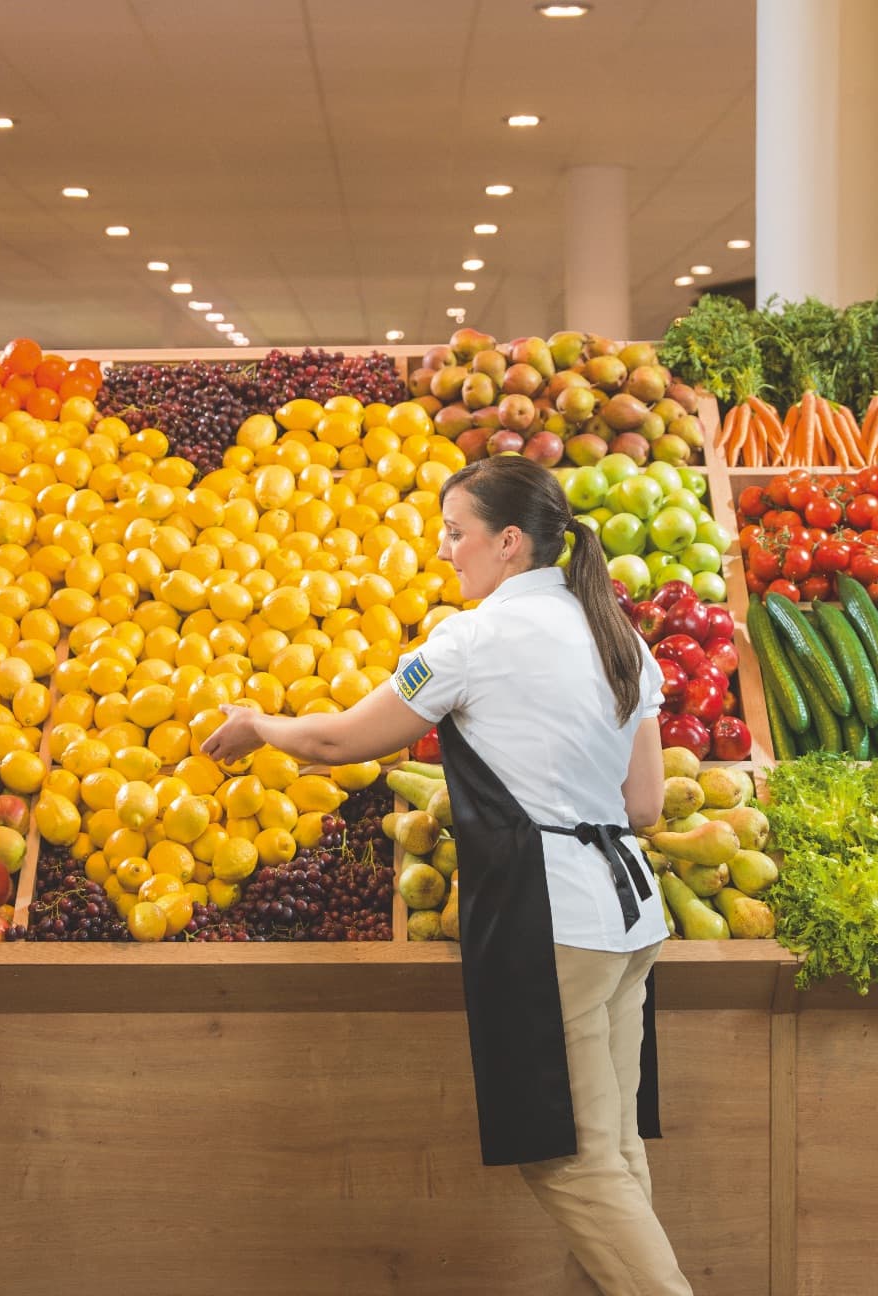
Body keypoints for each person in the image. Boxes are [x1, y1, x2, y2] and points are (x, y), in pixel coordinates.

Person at [202, 455, 694, 1295]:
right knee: (611, 1148)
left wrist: (261, 725)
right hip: (630, 917)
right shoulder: (620, 636)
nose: (442, 550)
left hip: (556, 923)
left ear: (509, 542)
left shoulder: (472, 641)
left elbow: (340, 740)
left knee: (570, 1163)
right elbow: (645, 805)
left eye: (455, 532)